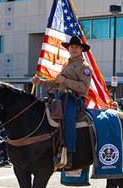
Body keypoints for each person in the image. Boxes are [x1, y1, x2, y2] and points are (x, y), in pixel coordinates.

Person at [32, 35, 92, 169]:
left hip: (75, 99)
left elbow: (84, 87)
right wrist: (40, 81)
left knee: (68, 118)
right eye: (72, 46)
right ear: (69, 48)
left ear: (81, 49)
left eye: (77, 47)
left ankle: (70, 154)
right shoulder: (66, 64)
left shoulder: (85, 67)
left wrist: (65, 81)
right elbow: (57, 82)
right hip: (60, 97)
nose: (74, 49)